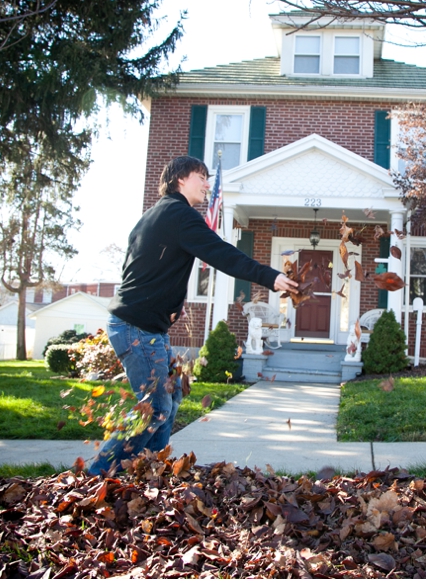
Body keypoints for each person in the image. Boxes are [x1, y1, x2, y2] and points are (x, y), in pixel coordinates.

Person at [87, 156, 297, 476]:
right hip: (137, 329)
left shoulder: (153, 216)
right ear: (180, 180)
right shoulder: (180, 215)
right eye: (201, 176)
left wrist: (173, 299)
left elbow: (145, 266)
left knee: (168, 406)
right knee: (155, 408)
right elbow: (222, 253)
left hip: (140, 326)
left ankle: (149, 472)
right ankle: (96, 475)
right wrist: (269, 277)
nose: (207, 183)